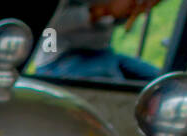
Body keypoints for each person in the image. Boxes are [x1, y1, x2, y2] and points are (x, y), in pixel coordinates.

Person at [32, 0, 163, 80]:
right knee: (114, 89)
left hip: (101, 52)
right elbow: (50, 25)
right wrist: (104, 10)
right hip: (58, 59)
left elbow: (113, 20)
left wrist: (134, 8)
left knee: (161, 82)